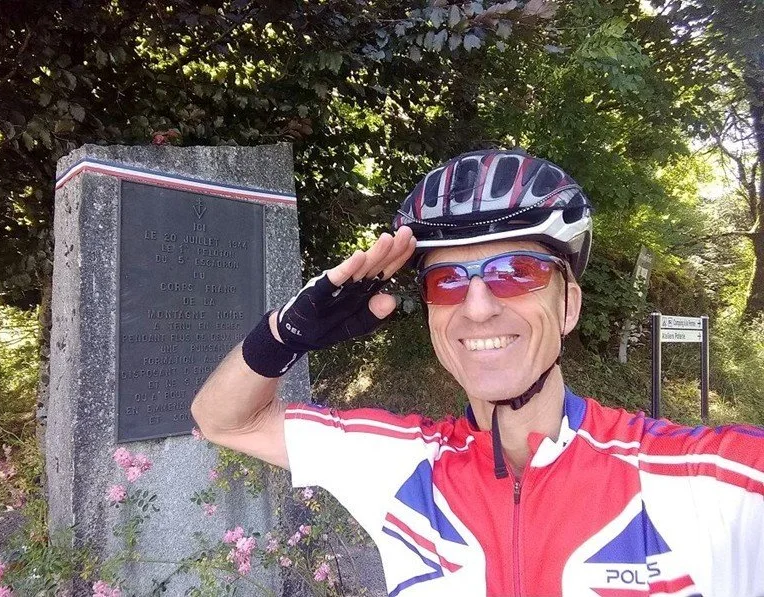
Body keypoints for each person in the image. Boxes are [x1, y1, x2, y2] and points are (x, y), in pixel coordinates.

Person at [191, 149, 764, 596]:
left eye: (515, 271)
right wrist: (284, 335)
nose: (478, 307)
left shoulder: (707, 484)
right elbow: (223, 421)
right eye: (447, 281)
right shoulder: (401, 463)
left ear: (569, 305)